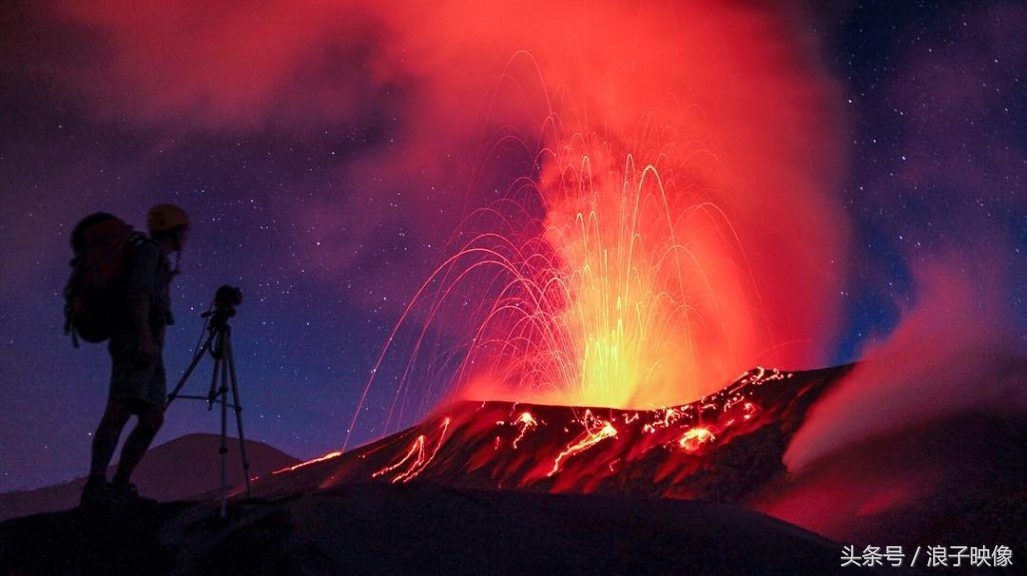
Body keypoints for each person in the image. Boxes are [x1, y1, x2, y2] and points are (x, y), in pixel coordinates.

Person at [80, 203, 189, 505]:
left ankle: (120, 485)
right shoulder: (148, 253)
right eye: (184, 231)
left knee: (152, 416)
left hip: (150, 347)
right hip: (136, 342)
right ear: (174, 231)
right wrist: (143, 337)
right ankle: (96, 486)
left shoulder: (156, 259)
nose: (187, 237)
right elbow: (138, 294)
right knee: (119, 410)